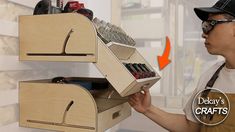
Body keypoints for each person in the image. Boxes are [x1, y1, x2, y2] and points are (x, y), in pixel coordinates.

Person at [128, 0, 235, 131]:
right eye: (204, 25)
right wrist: (148, 109)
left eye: (211, 24)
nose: (204, 33)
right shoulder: (210, 78)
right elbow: (191, 127)